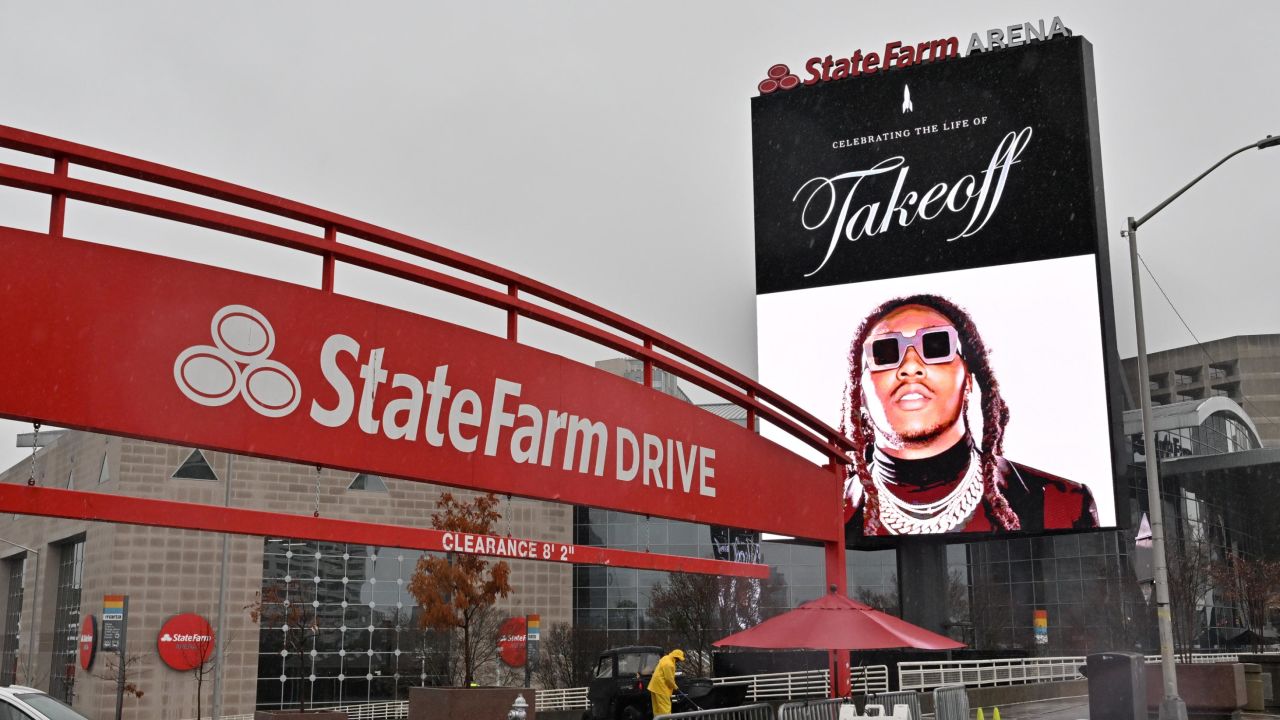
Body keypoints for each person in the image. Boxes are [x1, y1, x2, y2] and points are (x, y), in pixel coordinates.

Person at [840, 294, 1098, 537]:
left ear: (970, 379)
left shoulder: (1061, 505)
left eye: (935, 345)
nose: (910, 367)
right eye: (884, 352)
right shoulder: (829, 514)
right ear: (859, 392)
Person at [647, 648, 685, 717]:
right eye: (679, 659)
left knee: (657, 709)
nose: (678, 661)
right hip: (661, 688)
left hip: (654, 687)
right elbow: (669, 679)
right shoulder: (669, 664)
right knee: (665, 709)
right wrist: (676, 687)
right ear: (676, 658)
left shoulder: (665, 658)